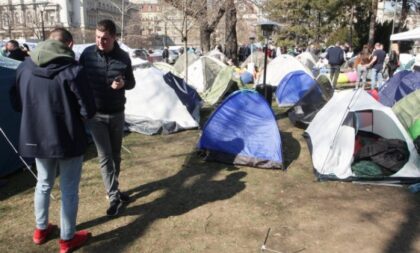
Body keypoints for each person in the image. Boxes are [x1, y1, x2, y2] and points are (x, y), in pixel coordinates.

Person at [10, 27, 95, 253]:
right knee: (68, 188)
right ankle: (66, 239)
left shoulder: (24, 67)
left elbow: (16, 103)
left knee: (43, 183)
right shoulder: (73, 70)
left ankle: (41, 229)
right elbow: (89, 109)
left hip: (36, 136)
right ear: (69, 45)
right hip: (67, 137)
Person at [79, 19, 136, 217]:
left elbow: (132, 83)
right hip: (96, 116)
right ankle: (113, 196)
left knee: (116, 155)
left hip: (117, 113)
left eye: (104, 39)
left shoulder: (123, 57)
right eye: (97, 37)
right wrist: (83, 108)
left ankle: (114, 188)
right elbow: (79, 82)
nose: (100, 42)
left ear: (114, 37)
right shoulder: (87, 54)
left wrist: (123, 84)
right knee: (104, 157)